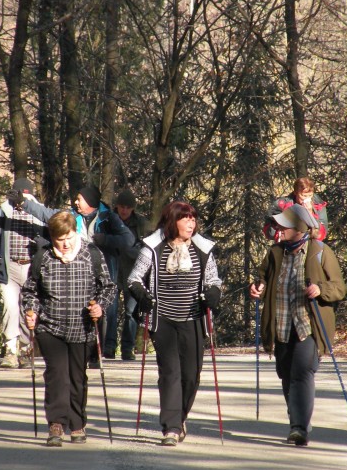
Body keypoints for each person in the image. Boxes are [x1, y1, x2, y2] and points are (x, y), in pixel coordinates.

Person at [249, 203, 347, 447]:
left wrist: (320, 289)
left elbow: (339, 288)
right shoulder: (275, 253)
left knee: (301, 373)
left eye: (283, 225)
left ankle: (299, 428)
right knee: (285, 374)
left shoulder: (320, 251)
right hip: (281, 325)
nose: (278, 229)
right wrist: (257, 287)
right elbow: (262, 278)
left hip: (308, 327)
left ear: (299, 228)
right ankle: (298, 416)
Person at [128, 201, 223, 446]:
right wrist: (142, 295)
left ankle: (179, 418)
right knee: (170, 373)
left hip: (194, 319)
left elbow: (214, 280)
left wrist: (213, 293)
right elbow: (134, 278)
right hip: (164, 320)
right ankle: (170, 427)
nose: (191, 224)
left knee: (191, 376)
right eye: (185, 219)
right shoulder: (153, 246)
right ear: (173, 221)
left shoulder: (202, 248)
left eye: (193, 219)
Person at [22, 211, 116, 447]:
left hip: (82, 329)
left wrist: (100, 307)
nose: (65, 244)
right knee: (56, 375)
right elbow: (30, 291)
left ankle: (77, 423)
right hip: (50, 326)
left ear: (76, 233)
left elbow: (108, 288)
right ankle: (56, 423)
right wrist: (31, 311)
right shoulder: (43, 257)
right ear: (52, 238)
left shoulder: (92, 254)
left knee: (77, 377)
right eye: (59, 239)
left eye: (69, 238)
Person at [21, 184, 133, 364]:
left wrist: (104, 239)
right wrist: (24, 203)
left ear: (89, 201)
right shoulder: (71, 215)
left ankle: (103, 348)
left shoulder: (108, 217)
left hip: (102, 267)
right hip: (75, 269)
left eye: (79, 199)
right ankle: (88, 351)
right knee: (80, 307)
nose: (76, 202)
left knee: (103, 308)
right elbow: (46, 213)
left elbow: (128, 239)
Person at [0, 177, 45, 368]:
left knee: (29, 309)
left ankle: (26, 350)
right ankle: (10, 350)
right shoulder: (3, 211)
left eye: (25, 195)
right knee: (10, 308)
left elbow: (51, 237)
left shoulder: (38, 212)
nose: (21, 199)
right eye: (19, 195)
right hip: (9, 268)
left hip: (31, 268)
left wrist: (42, 247)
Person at [108, 189, 149, 361]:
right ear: (116, 206)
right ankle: (108, 347)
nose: (124, 211)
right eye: (121, 207)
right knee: (111, 311)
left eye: (128, 207)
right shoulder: (108, 221)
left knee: (131, 313)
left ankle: (128, 347)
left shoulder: (141, 224)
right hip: (112, 272)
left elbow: (146, 250)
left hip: (133, 274)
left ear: (133, 208)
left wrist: (131, 250)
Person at [263, 176, 329, 242]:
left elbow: (321, 235)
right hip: (285, 245)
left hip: (310, 244)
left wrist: (310, 214)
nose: (307, 199)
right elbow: (268, 231)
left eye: (310, 195)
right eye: (304, 196)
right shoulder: (282, 204)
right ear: (295, 193)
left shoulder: (318, 205)